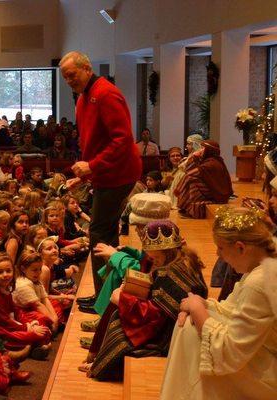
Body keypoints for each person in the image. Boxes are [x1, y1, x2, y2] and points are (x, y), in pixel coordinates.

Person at [160, 207, 277, 399]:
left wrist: (198, 310)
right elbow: (232, 310)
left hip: (270, 374)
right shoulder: (263, 259)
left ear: (241, 247)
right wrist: (198, 304)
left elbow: (231, 352)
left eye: (221, 248)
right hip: (262, 353)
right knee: (192, 322)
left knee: (191, 331)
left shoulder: (260, 281)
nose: (217, 254)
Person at [60, 51, 142, 304]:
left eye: (72, 75)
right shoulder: (84, 97)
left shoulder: (105, 94)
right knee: (105, 233)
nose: (69, 81)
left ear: (87, 68)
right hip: (106, 174)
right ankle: (109, 293)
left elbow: (122, 140)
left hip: (118, 175)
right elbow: (97, 143)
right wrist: (85, 176)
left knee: (99, 233)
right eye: (65, 78)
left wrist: (92, 166)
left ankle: (103, 298)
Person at [84, 220, 208, 381]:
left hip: (168, 332)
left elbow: (155, 315)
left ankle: (100, 363)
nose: (152, 260)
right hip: (168, 321)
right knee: (117, 316)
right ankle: (97, 356)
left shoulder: (169, 273)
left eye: (155, 257)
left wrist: (122, 299)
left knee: (120, 332)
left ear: (168, 251)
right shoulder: (181, 259)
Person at [174, 140, 233, 219]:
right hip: (214, 190)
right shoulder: (210, 160)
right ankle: (185, 207)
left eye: (202, 148)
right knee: (191, 179)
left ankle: (190, 209)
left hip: (218, 194)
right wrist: (194, 157)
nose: (200, 150)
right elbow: (187, 169)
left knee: (192, 181)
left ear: (209, 150)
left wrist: (178, 190)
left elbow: (190, 173)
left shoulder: (211, 163)